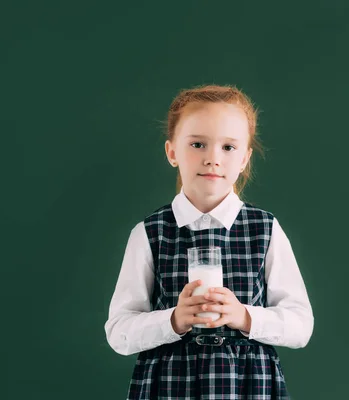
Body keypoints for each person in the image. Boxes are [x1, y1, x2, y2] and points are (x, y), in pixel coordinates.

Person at [104, 84, 314, 399]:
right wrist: (174, 320)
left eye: (228, 147)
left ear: (244, 158)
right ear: (172, 152)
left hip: (246, 385)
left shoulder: (265, 229)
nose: (212, 159)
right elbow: (119, 332)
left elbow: (300, 325)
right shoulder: (150, 232)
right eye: (198, 144)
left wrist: (243, 316)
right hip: (169, 383)